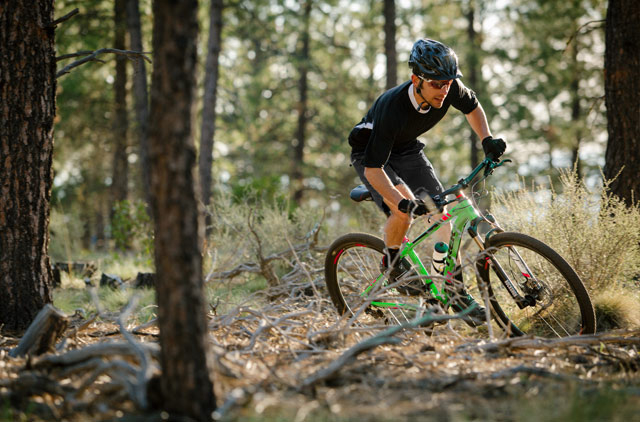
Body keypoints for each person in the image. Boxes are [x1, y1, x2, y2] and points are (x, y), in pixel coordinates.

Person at [348, 38, 506, 322]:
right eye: (436, 84)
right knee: (402, 212)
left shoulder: (449, 88)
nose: (444, 90)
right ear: (416, 79)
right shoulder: (392, 108)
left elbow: (473, 107)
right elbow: (374, 169)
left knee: (441, 214)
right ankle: (393, 261)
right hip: (370, 154)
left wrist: (487, 140)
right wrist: (402, 202)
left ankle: (453, 290)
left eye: (448, 83)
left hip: (406, 147)